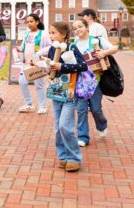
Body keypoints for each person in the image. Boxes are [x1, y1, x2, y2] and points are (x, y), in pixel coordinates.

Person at [47, 21, 88, 172]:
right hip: (56, 91)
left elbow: (83, 66)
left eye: (53, 33)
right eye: (50, 33)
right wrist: (47, 67)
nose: (51, 36)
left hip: (70, 92)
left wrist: (61, 66)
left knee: (65, 125)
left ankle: (74, 158)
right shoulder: (52, 49)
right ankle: (63, 156)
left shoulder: (71, 47)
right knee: (58, 127)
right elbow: (53, 69)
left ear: (63, 34)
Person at [72, 19, 117, 146]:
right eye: (75, 28)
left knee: (96, 109)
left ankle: (102, 125)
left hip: (95, 81)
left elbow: (114, 48)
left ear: (87, 27)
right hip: (79, 83)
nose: (77, 30)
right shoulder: (73, 44)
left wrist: (103, 52)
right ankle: (83, 137)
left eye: (80, 26)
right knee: (81, 110)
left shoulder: (96, 40)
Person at [18, 13, 52, 114]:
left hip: (38, 63)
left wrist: (39, 52)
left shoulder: (43, 33)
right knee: (22, 81)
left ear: (37, 22)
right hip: (27, 64)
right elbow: (23, 46)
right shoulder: (27, 34)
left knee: (39, 85)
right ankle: (29, 104)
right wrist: (19, 48)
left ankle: (43, 106)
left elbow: (50, 46)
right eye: (27, 22)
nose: (29, 24)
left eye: (31, 21)